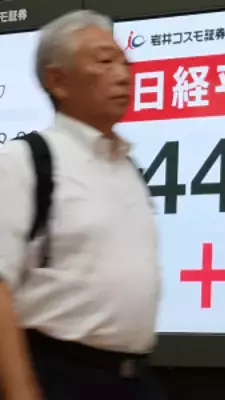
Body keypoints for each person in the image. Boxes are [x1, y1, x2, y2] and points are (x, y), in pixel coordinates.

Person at [0, 10, 164, 400]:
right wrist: (20, 390)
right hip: (59, 374)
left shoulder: (126, 167)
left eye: (125, 63)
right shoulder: (24, 161)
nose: (123, 75)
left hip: (131, 378)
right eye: (104, 62)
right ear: (58, 80)